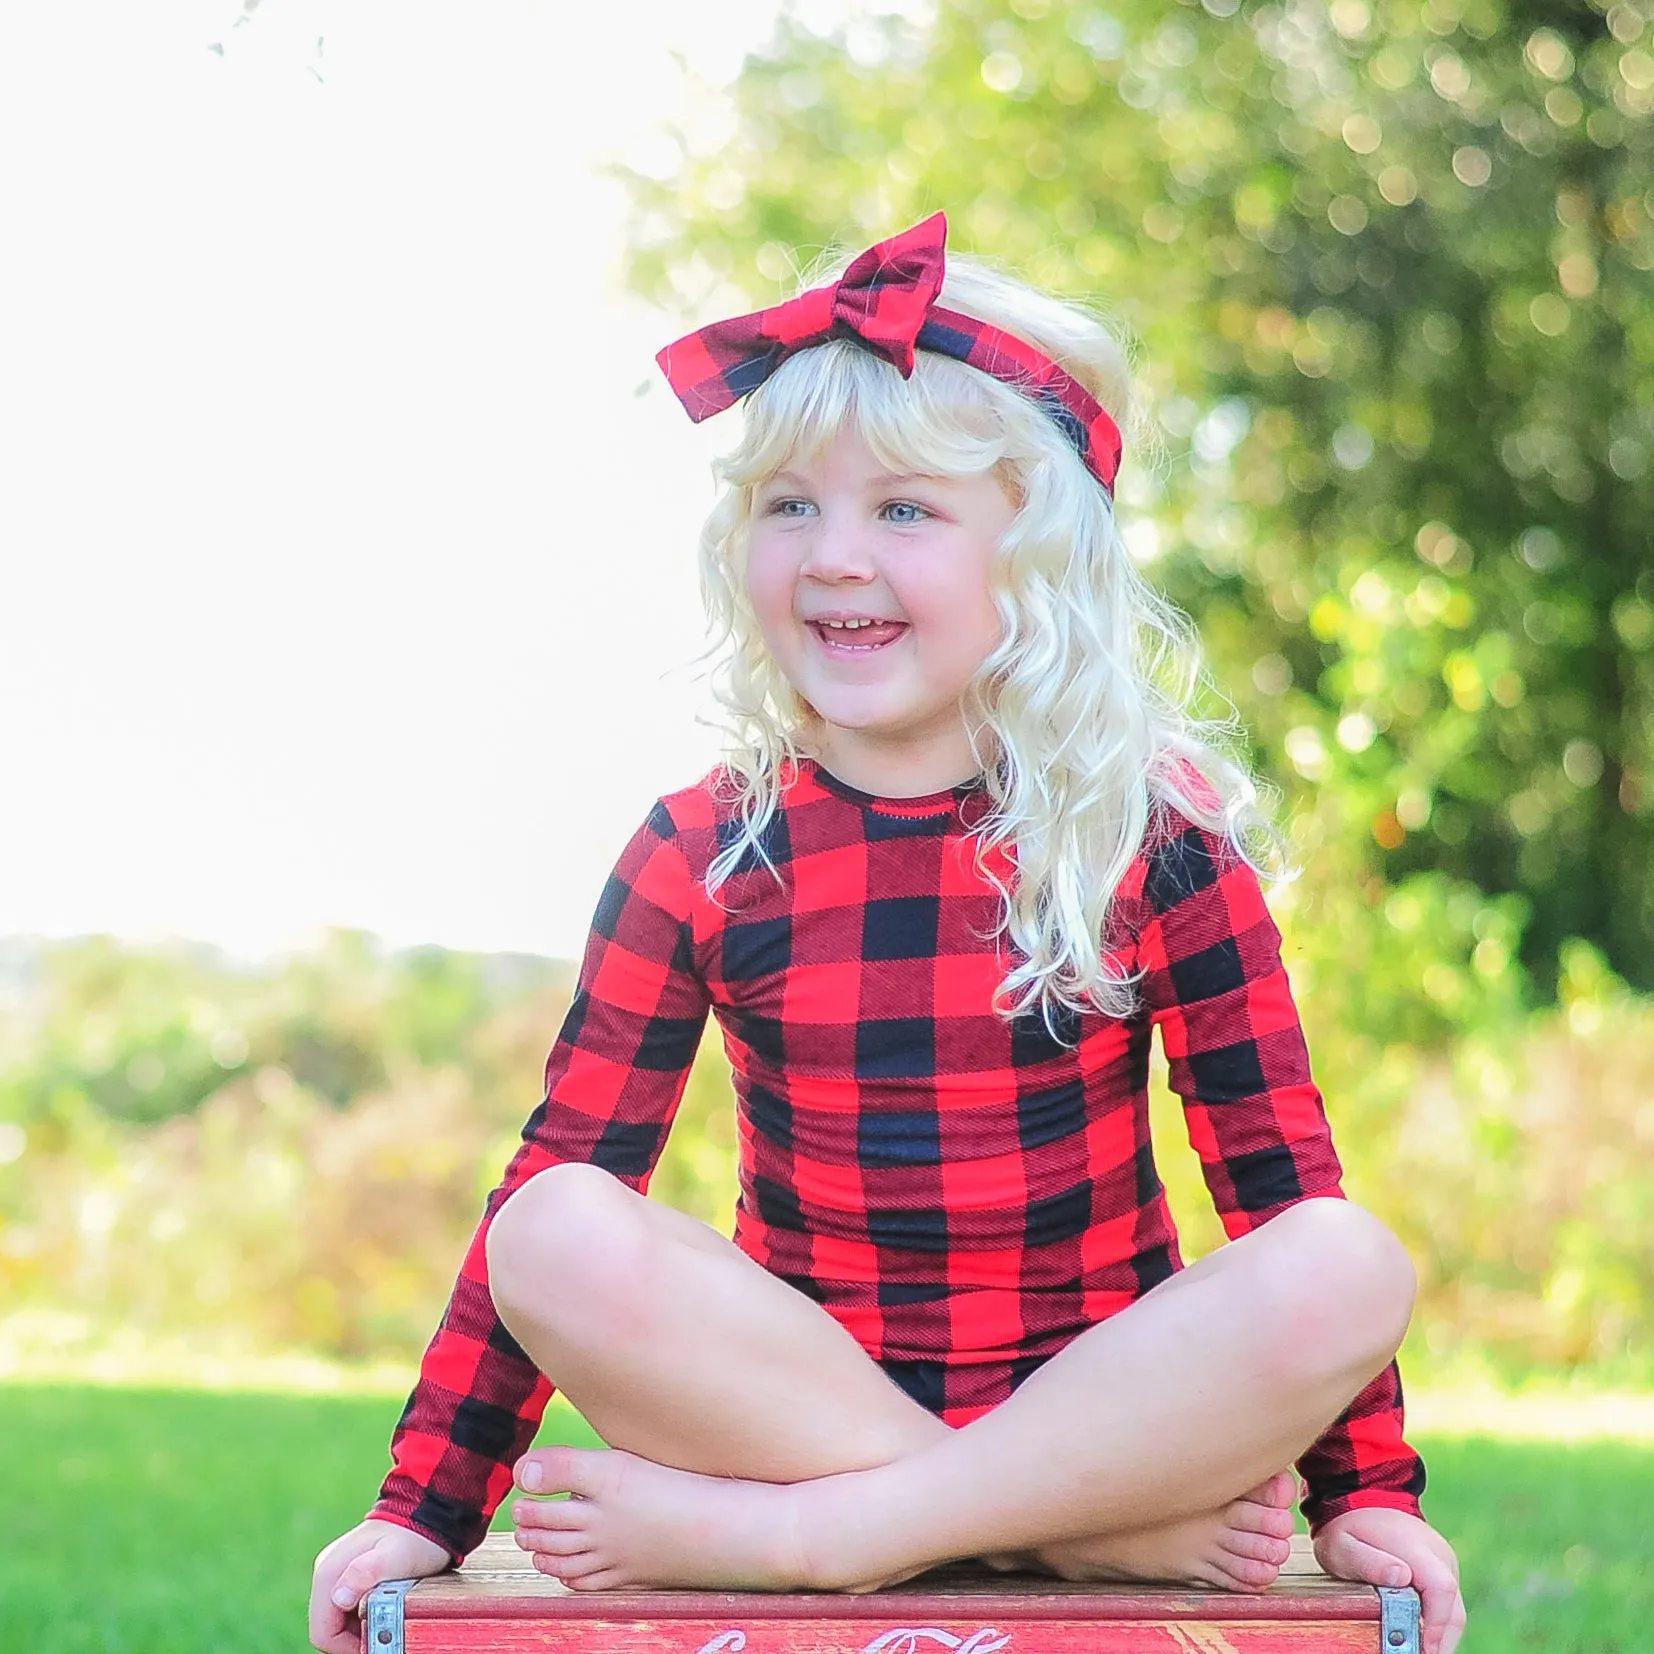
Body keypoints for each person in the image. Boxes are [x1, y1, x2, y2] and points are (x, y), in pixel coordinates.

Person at [309, 213, 1465, 1654]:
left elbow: (1272, 1171)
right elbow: (561, 1173)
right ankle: (1049, 1527)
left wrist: (1365, 1491)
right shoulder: (702, 852)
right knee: (552, 1224)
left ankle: (827, 1537)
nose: (833, 555)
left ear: (1038, 557)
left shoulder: (1151, 844)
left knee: (1343, 1255)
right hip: (794, 1402)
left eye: (902, 511)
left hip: (1098, 1399)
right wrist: (422, 1505)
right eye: (788, 505)